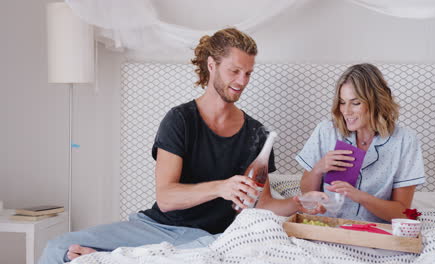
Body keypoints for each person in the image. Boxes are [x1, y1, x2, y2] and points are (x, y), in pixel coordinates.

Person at [39, 28, 317, 264]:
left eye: (248, 73)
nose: (242, 81)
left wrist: (298, 203)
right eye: (235, 71)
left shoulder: (258, 134)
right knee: (57, 248)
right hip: (158, 227)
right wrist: (222, 187)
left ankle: (121, 257)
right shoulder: (181, 120)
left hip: (212, 239)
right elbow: (167, 198)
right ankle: (124, 254)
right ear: (212, 65)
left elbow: (263, 203)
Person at [296, 63, 425, 223]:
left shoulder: (405, 141)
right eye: (342, 102)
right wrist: (318, 169)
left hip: (374, 233)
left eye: (355, 103)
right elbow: (307, 193)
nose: (346, 111)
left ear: (376, 102)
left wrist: (360, 196)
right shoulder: (326, 131)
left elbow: (402, 212)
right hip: (327, 227)